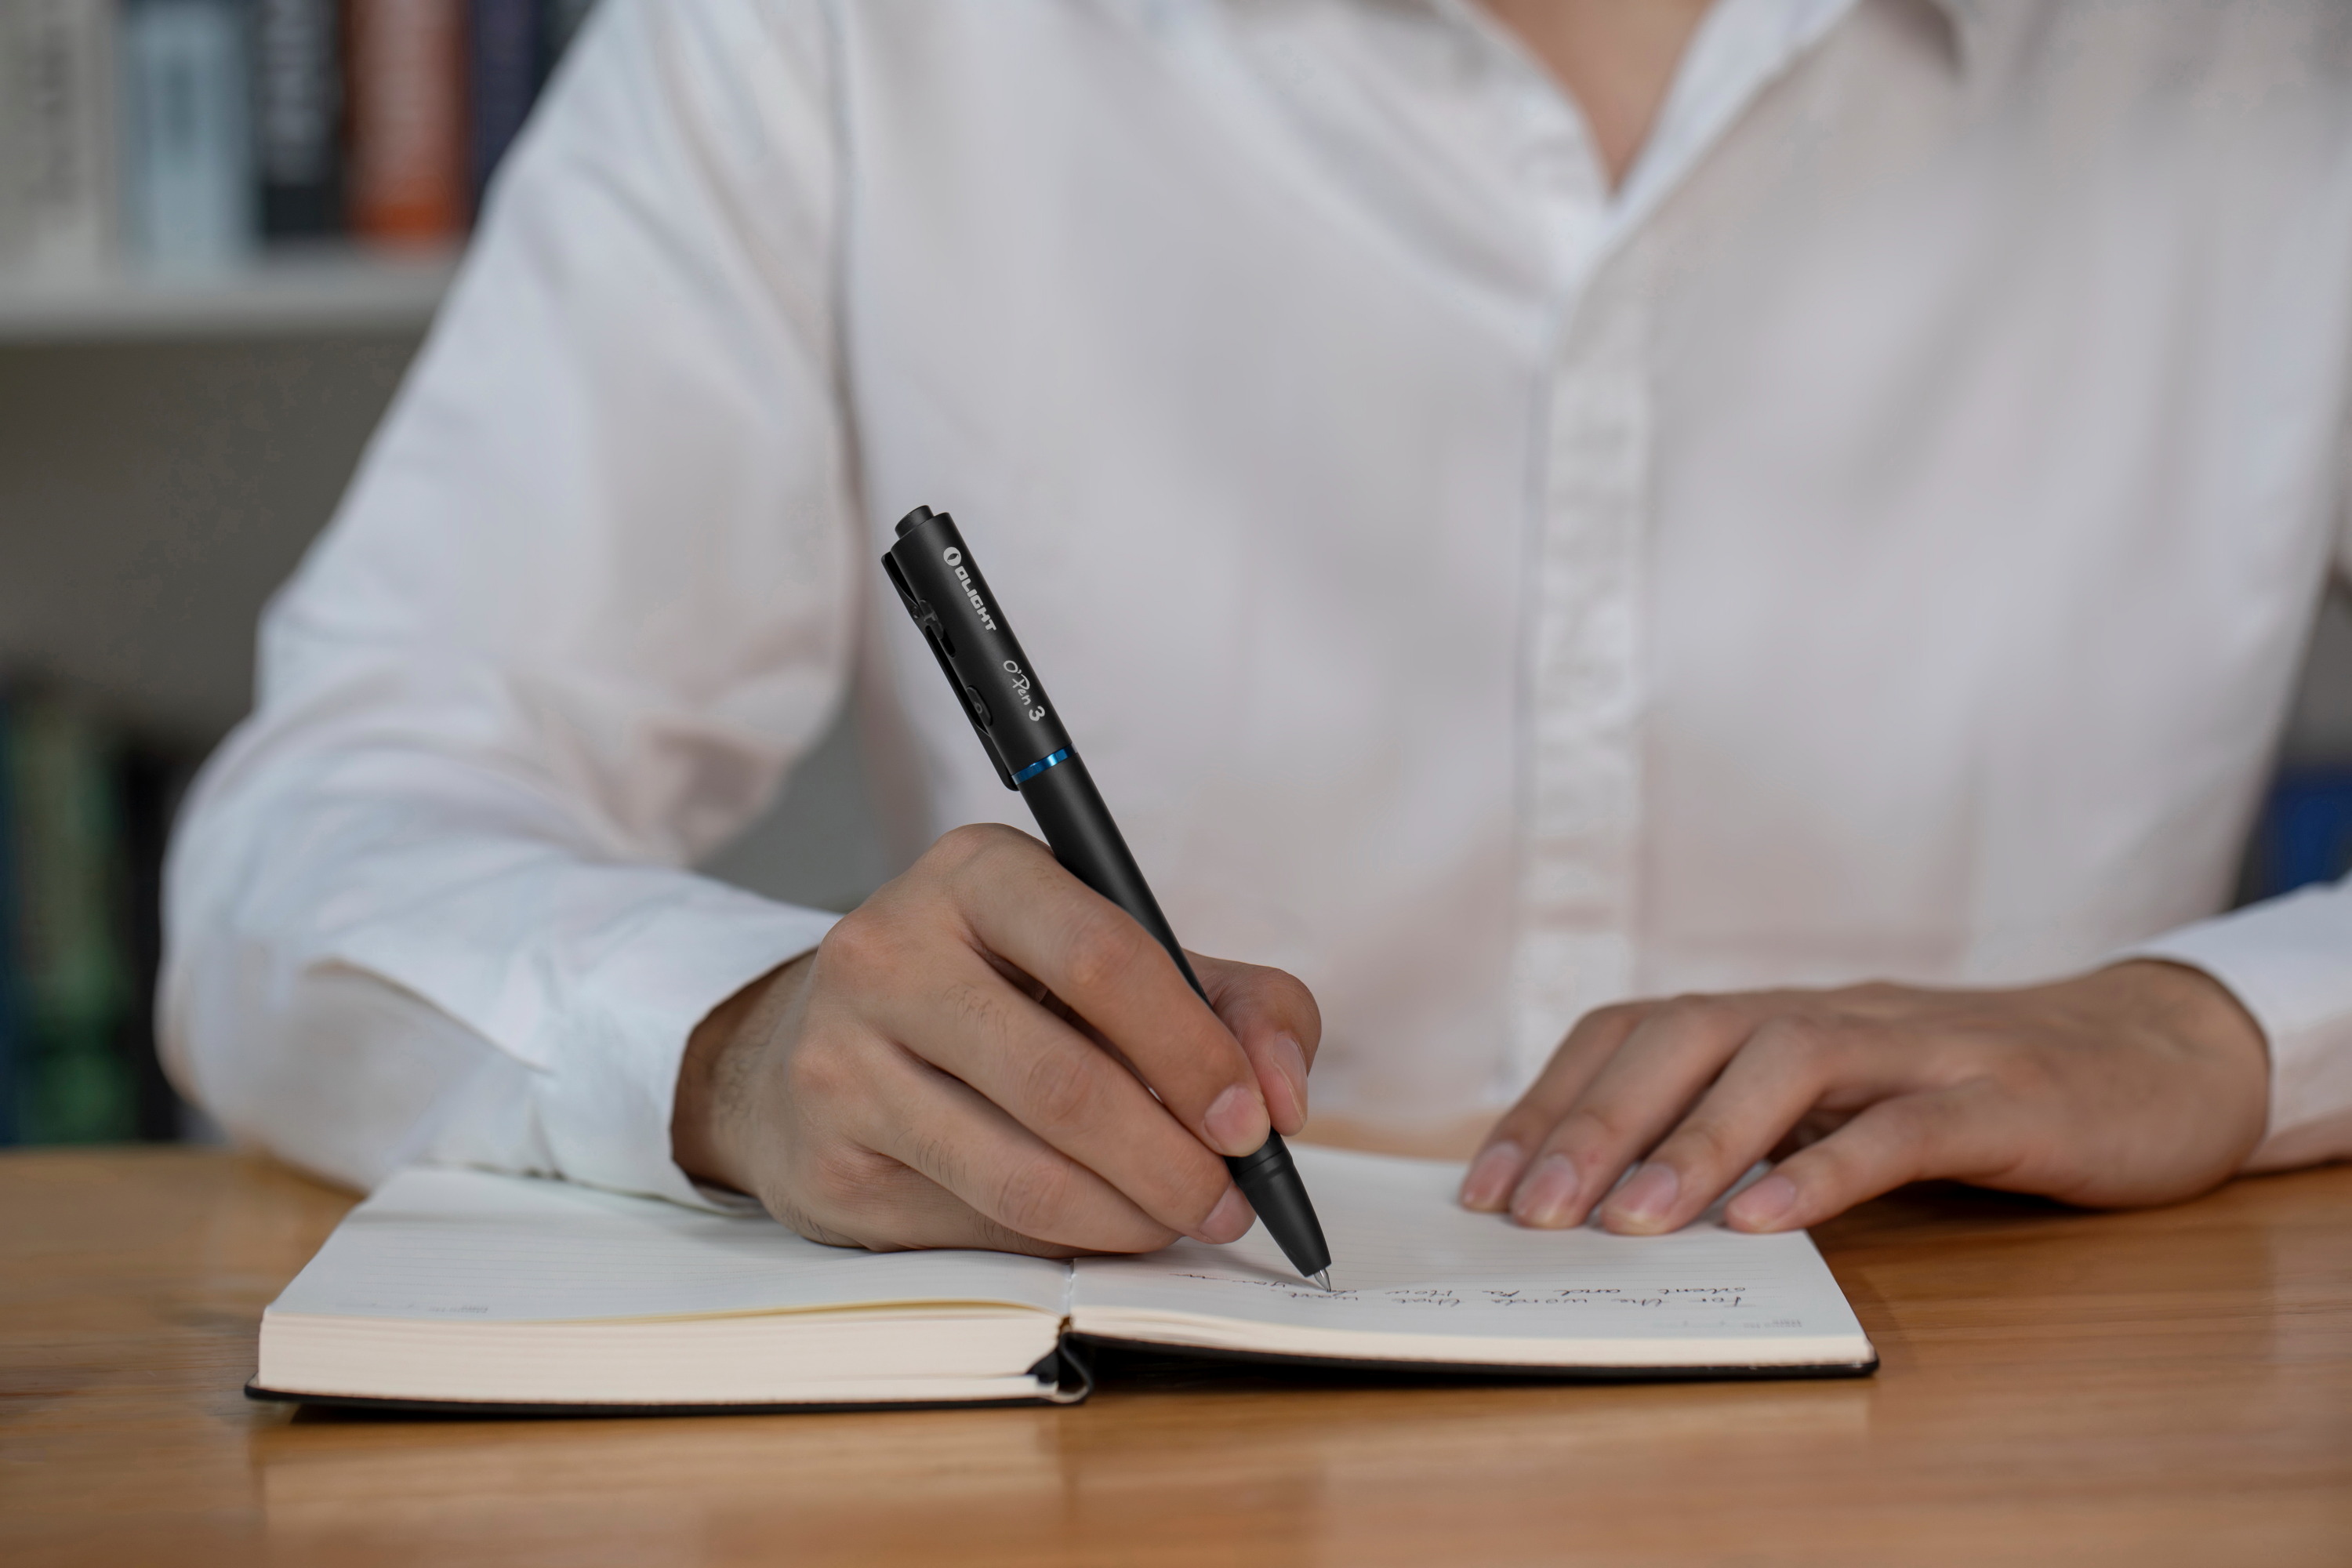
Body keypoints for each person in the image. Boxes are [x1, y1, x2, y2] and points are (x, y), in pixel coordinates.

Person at [165, 0, 2352, 1258]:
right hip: (1145, 1458)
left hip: (2034, 1444)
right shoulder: (833, 31)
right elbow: (310, 852)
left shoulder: (2278, 64)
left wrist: (2219, 1029)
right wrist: (730, 1047)